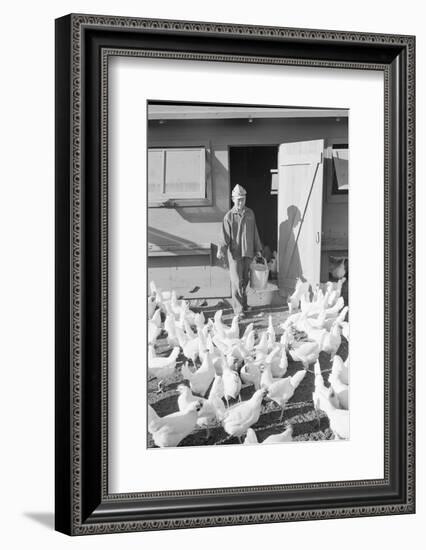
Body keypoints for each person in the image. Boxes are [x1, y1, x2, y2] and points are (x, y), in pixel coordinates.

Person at [217, 184, 263, 317]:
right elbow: (224, 236)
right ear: (233, 199)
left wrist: (258, 249)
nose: (241, 202)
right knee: (236, 281)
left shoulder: (250, 214)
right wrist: (221, 249)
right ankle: (238, 310)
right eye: (238, 199)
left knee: (245, 280)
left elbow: (255, 232)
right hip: (235, 254)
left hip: (248, 252)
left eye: (243, 199)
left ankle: (244, 304)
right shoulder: (229, 217)